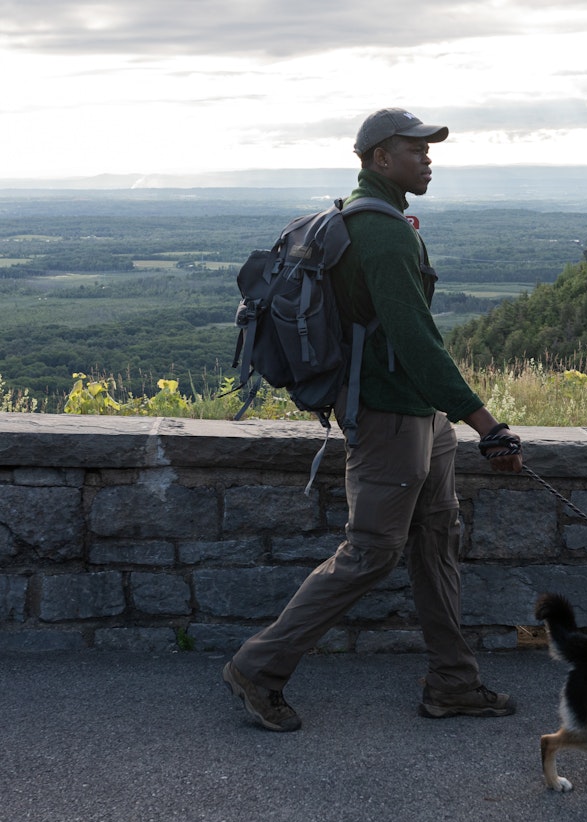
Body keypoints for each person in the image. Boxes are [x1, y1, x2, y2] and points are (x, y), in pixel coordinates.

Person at [222, 107, 524, 732]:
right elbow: (416, 341)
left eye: (428, 148)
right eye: (416, 149)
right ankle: (259, 667)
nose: (428, 157)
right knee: (370, 554)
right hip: (389, 415)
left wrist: (450, 416)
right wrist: (488, 427)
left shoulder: (376, 220)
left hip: (419, 415)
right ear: (381, 158)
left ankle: (453, 683)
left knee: (438, 537)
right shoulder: (382, 233)